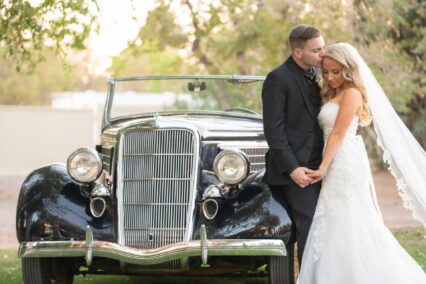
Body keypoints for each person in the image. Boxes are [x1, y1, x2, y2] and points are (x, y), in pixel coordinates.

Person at [298, 43, 426, 283]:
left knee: (348, 215)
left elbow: (337, 133)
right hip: (334, 158)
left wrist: (323, 167)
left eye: (336, 71)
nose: (330, 77)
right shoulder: (333, 93)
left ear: (349, 69)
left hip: (343, 161)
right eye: (326, 72)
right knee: (334, 216)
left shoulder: (353, 94)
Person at [261, 24, 325, 265]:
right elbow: (273, 131)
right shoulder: (277, 78)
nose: (323, 54)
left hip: (319, 165)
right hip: (296, 170)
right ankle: (310, 277)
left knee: (321, 222)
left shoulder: (320, 73)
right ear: (298, 52)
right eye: (316, 50)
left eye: (323, 47)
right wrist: (293, 168)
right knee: (309, 224)